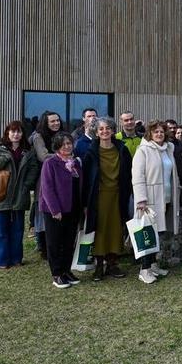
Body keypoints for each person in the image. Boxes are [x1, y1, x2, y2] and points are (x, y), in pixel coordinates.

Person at [0, 121, 40, 268]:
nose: (16, 134)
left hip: (19, 195)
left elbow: (34, 169)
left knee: (17, 230)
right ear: (7, 133)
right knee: (0, 231)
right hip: (0, 196)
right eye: (13, 131)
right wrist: (3, 159)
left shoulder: (28, 151)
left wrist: (26, 185)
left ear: (23, 134)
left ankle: (16, 259)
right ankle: (1, 261)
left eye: (19, 131)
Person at [82, 117, 133, 281]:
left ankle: (113, 264)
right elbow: (85, 179)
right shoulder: (91, 153)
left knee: (116, 229)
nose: (105, 131)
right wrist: (85, 203)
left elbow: (129, 174)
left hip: (118, 195)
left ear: (113, 130)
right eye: (101, 129)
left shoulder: (122, 149)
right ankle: (99, 265)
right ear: (96, 132)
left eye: (108, 128)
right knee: (100, 230)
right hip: (99, 197)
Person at [131, 120, 177, 284]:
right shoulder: (143, 150)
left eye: (162, 132)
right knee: (148, 234)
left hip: (165, 198)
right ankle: (144, 270)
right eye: (156, 132)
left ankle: (153, 265)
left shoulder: (168, 149)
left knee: (159, 234)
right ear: (149, 134)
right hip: (149, 199)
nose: (159, 134)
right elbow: (138, 176)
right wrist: (141, 199)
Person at [38, 132, 83, 288]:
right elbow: (47, 188)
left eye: (69, 143)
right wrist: (54, 210)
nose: (67, 146)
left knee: (69, 242)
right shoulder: (50, 163)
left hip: (73, 208)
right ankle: (57, 274)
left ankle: (66, 271)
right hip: (55, 210)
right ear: (57, 146)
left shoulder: (75, 163)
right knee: (55, 242)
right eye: (63, 144)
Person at [31, 110, 64, 260]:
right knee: (44, 212)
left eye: (57, 120)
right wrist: (63, 156)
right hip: (44, 178)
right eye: (52, 121)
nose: (56, 123)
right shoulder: (38, 136)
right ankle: (43, 246)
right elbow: (43, 156)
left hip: (61, 179)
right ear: (46, 123)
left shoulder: (61, 135)